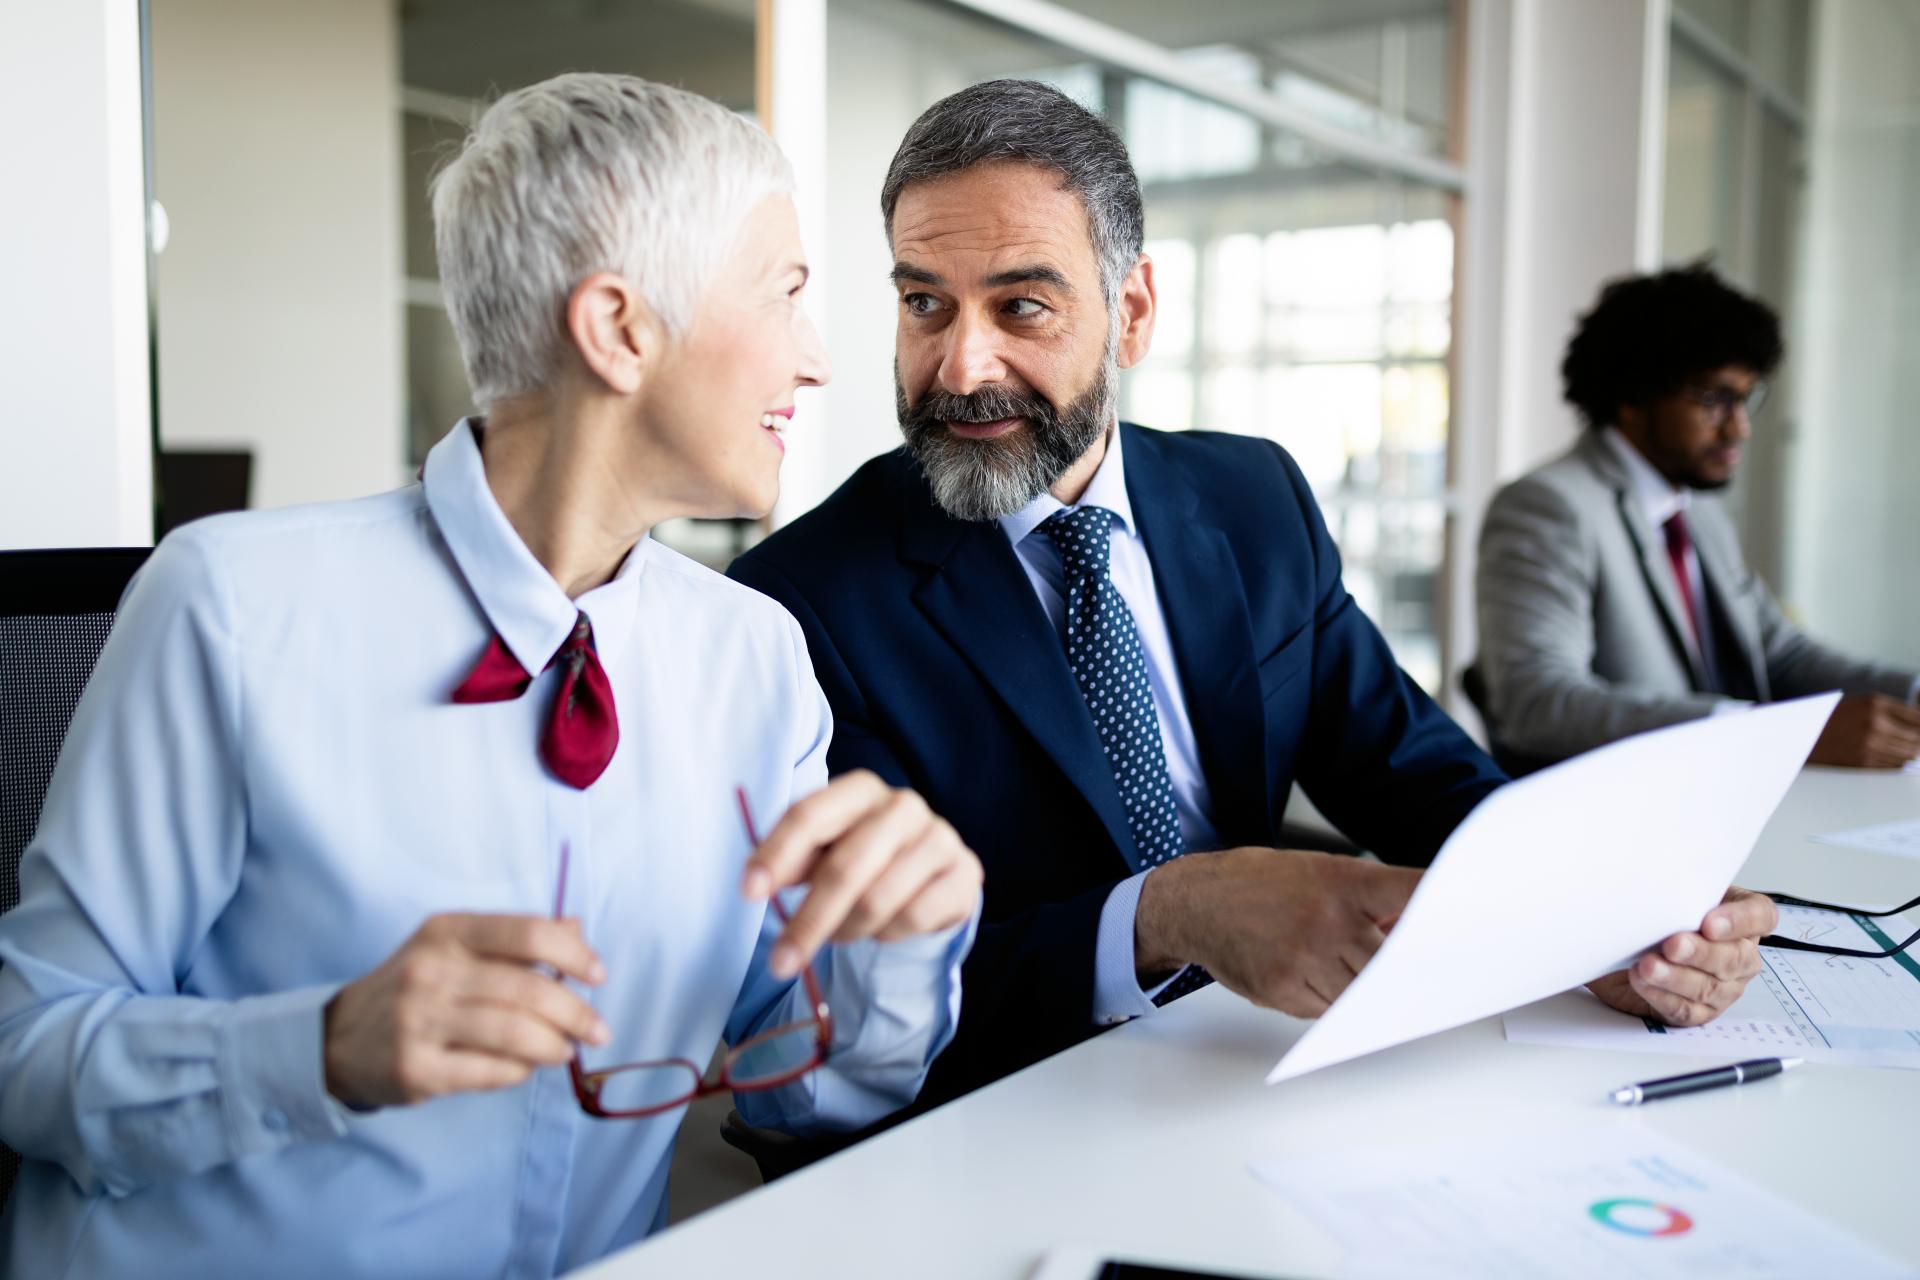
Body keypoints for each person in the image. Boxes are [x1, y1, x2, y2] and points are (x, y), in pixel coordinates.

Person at [0, 74, 981, 1278]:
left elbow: (798, 1092)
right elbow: (26, 1049)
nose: (818, 358)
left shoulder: (753, 657)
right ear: (619, 328)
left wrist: (900, 944)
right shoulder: (233, 609)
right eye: (785, 295)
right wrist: (318, 1049)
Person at [728, 80, 1775, 1106]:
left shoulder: (1252, 495)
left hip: (1260, 1074)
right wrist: (1159, 916)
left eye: (1022, 306)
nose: (960, 366)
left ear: (1131, 313)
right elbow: (839, 1010)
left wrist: (1606, 913)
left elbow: (1413, 769)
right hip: (1016, 1117)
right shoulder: (799, 604)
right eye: (924, 304)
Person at [1474, 264, 1920, 770]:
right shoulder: (1547, 507)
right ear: (1632, 396)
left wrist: (1911, 693)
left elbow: (1782, 654)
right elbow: (1538, 704)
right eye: (1715, 399)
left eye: (1746, 399)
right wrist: (1771, 736)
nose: (1739, 429)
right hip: (1631, 812)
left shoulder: (1696, 507)